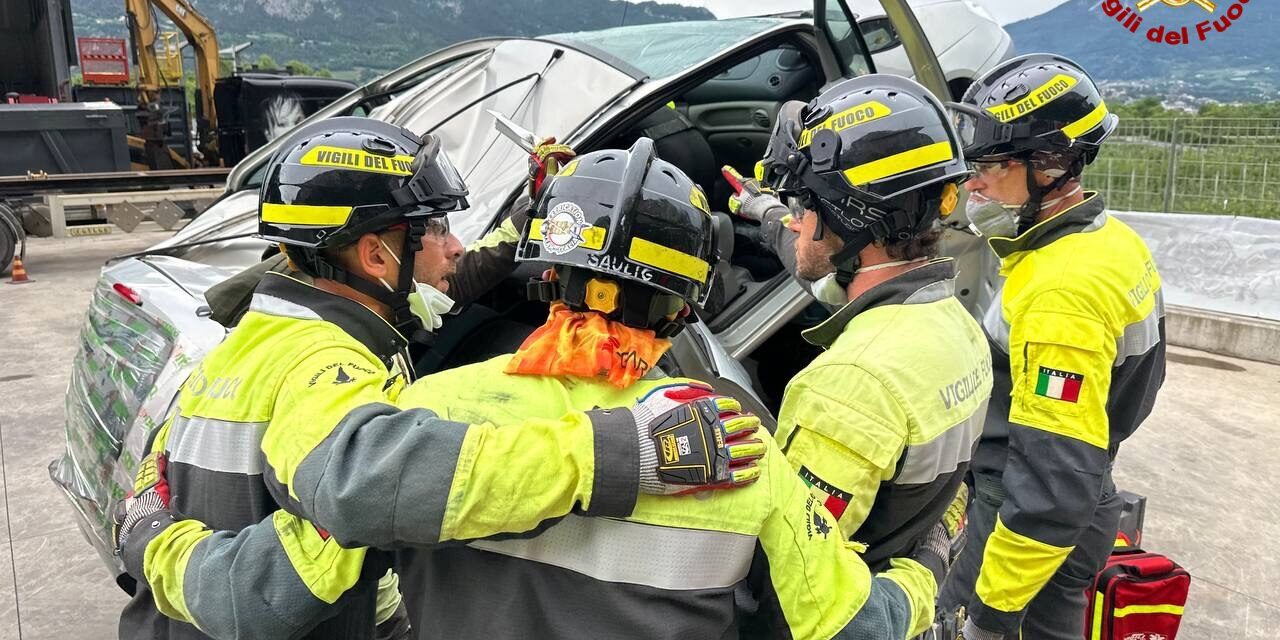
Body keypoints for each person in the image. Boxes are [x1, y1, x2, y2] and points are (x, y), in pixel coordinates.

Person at [119, 138, 953, 640]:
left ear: (546, 275)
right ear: (685, 303)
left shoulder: (422, 414)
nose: (451, 248)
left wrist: (150, 535)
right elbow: (849, 627)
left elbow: (284, 579)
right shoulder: (734, 448)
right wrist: (928, 566)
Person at [936, 53, 1166, 639]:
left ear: (1050, 164)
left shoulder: (1059, 292)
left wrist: (989, 614)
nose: (973, 183)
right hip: (1090, 494)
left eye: (990, 166)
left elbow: (1051, 485)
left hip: (1025, 531)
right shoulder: (1111, 241)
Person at [726, 75, 992, 571]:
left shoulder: (848, 386)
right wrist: (767, 213)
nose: (797, 221)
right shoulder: (958, 326)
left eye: (806, 205)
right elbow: (821, 266)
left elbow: (787, 567)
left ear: (850, 217)